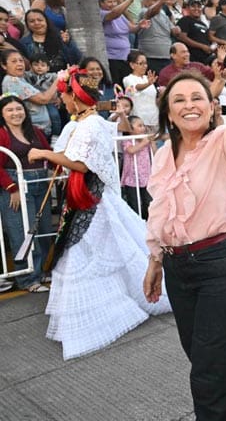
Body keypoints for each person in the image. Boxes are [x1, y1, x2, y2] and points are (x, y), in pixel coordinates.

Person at [142, 29, 226, 421]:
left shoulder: (224, 142)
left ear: (210, 105)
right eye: (178, 99)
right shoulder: (163, 154)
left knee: (208, 372)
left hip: (225, 265)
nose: (188, 105)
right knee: (203, 352)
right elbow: (160, 212)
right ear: (168, 111)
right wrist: (154, 261)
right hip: (177, 268)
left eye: (197, 97)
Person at [27, 66, 171, 360]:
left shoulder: (91, 125)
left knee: (84, 255)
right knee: (99, 253)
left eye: (65, 95)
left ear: (75, 97)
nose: (62, 101)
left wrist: (42, 154)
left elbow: (79, 164)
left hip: (92, 201)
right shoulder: (89, 122)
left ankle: (98, 318)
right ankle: (111, 305)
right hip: (91, 199)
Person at [0, 95, 53, 293]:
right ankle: (27, 278)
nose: (16, 113)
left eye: (19, 109)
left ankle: (40, 271)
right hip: (16, 185)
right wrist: (11, 188)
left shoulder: (36, 132)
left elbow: (48, 153)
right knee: (23, 232)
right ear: (2, 114)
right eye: (10, 110)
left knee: (44, 229)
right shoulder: (2, 133)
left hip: (41, 182)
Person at [120, 115, 154, 218]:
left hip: (146, 177)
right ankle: (136, 224)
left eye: (143, 125)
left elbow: (155, 153)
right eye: (139, 125)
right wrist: (144, 142)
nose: (143, 128)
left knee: (148, 202)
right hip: (132, 178)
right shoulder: (127, 140)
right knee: (134, 204)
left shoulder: (146, 140)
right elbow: (131, 150)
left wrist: (152, 142)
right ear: (130, 129)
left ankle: (147, 223)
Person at [122, 50, 160, 132]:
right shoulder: (128, 79)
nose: (144, 66)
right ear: (132, 65)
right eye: (141, 63)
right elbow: (137, 87)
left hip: (154, 119)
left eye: (145, 63)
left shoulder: (148, 78)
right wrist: (148, 84)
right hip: (139, 120)